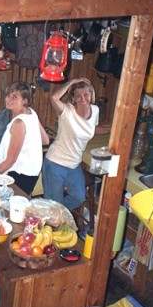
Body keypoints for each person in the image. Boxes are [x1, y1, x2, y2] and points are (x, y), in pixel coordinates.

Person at [42, 78, 108, 213]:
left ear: (91, 95)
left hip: (74, 164)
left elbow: (91, 128)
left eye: (86, 94)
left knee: (79, 197)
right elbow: (54, 98)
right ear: (73, 99)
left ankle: (57, 214)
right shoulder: (66, 111)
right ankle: (55, 215)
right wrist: (71, 82)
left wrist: (110, 129)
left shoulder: (95, 110)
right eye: (78, 96)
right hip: (55, 163)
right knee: (54, 205)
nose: (83, 98)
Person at [0, 81, 50, 195]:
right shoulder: (31, 112)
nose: (9, 99)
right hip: (31, 174)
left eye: (15, 97)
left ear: (25, 101)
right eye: (8, 95)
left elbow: (10, 161)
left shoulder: (19, 123)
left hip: (17, 175)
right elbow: (45, 140)